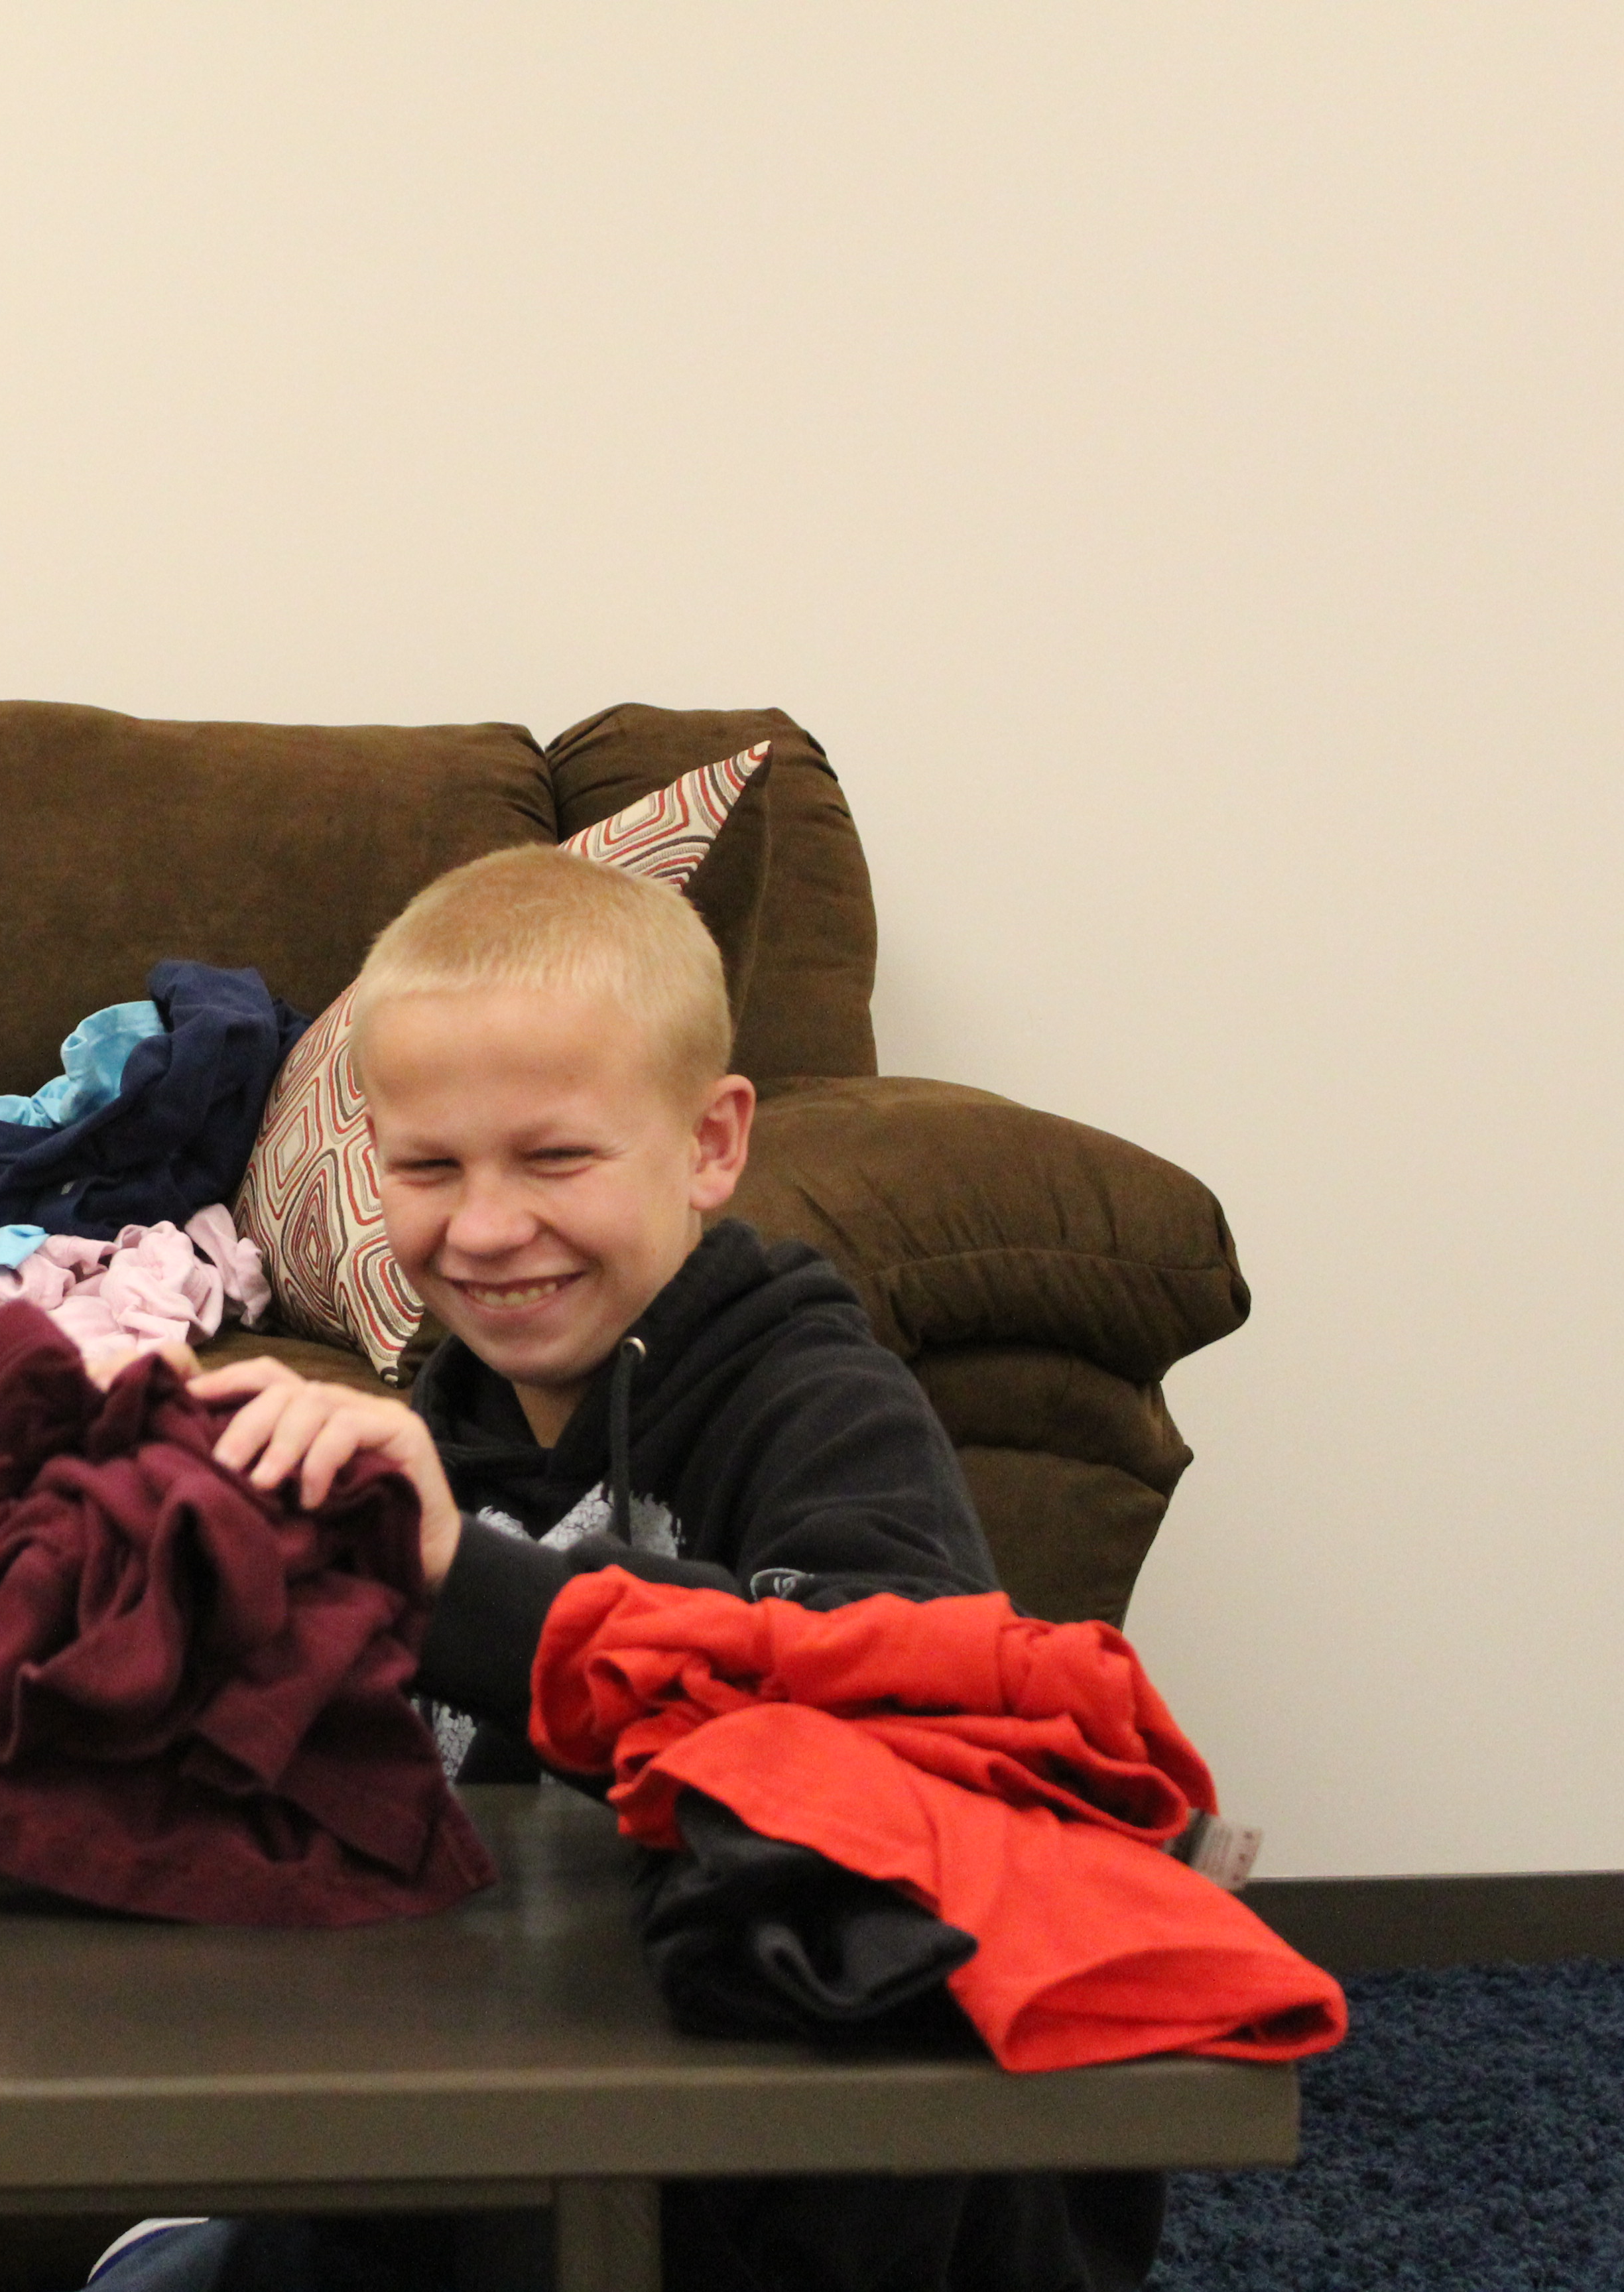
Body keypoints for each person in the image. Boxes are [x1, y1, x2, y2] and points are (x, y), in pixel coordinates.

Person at [83, 844, 1160, 2291]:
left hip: (802, 2170)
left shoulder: (817, 1397)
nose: (482, 1228)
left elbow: (910, 1700)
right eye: (427, 1167)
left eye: (556, 1158)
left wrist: (462, 1580)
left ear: (712, 1144)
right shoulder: (429, 1430)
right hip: (526, 2106)